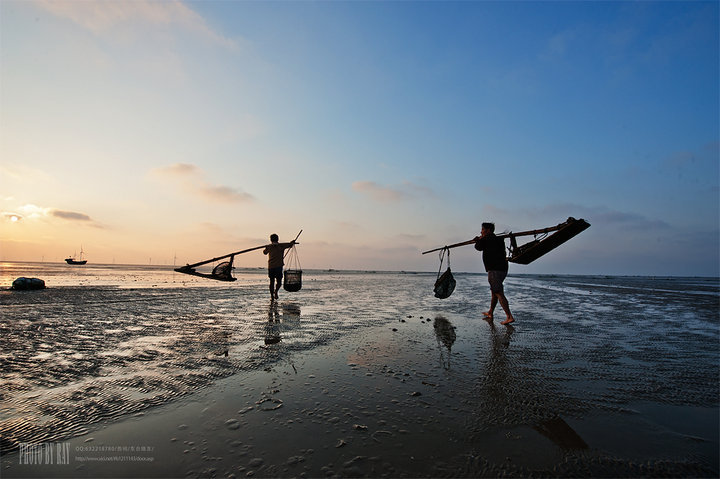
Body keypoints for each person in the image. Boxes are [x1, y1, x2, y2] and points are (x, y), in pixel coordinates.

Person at [474, 222, 515, 325]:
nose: (481, 231)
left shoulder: (487, 239)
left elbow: (478, 247)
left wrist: (477, 240)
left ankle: (509, 316)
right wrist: (480, 239)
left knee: (498, 292)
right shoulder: (498, 239)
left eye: (482, 229)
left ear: (488, 230)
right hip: (503, 269)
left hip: (494, 270)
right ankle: (490, 312)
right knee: (494, 292)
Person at [263, 234, 296, 300]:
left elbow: (264, 252)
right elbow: (290, 245)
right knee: (279, 282)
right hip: (277, 266)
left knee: (272, 282)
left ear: (271, 239)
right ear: (277, 239)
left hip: (272, 266)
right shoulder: (280, 245)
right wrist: (292, 242)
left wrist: (266, 248)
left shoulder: (271, 246)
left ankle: (273, 295)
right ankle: (275, 293)